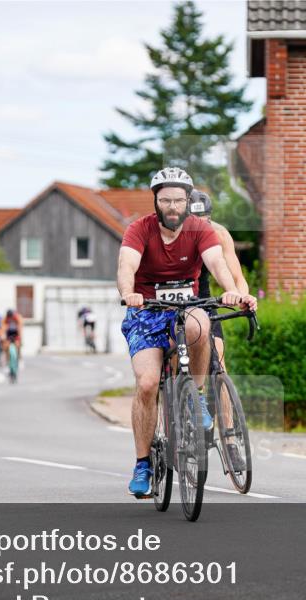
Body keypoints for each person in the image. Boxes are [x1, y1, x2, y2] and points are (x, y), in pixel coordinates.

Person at [117, 167, 257, 498]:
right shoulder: (139, 230)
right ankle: (142, 464)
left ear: (187, 200)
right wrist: (129, 292)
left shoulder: (204, 230)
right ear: (156, 202)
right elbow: (126, 266)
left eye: (179, 200)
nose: (173, 206)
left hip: (188, 305)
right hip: (147, 310)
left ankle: (195, 397)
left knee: (200, 323)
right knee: (148, 383)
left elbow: (219, 265)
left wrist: (234, 291)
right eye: (165, 200)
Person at [189, 189, 252, 472]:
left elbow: (236, 275)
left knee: (219, 360)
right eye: (195, 219)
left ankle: (229, 439)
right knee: (178, 362)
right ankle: (184, 412)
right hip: (174, 299)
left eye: (206, 219)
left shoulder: (219, 233)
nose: (201, 225)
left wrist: (242, 297)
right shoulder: (174, 235)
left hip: (204, 298)